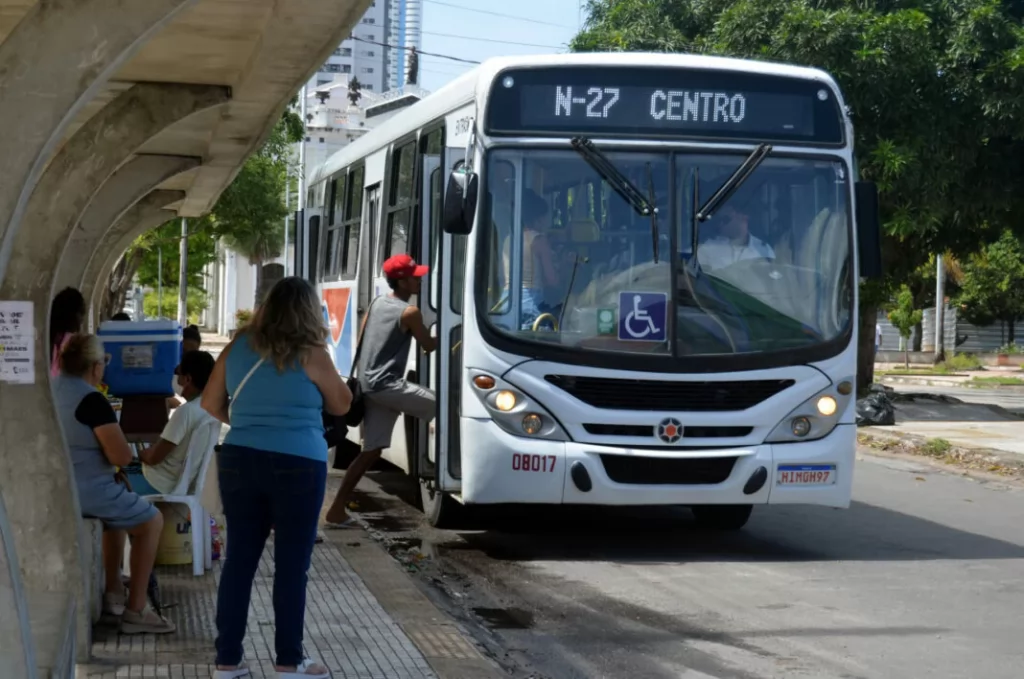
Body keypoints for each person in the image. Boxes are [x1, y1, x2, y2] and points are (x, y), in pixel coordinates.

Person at [202, 277, 351, 679]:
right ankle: (289, 661)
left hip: (239, 459)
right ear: (307, 310)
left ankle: (227, 662)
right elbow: (342, 403)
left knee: (239, 563)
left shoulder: (237, 348)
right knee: (290, 567)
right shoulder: (312, 353)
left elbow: (209, 402)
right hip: (298, 464)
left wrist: (249, 425)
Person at [52, 334, 174, 634]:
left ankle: (113, 590)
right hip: (87, 491)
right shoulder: (91, 400)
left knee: (118, 512)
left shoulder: (49, 389)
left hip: (57, 487)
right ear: (95, 367)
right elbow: (120, 454)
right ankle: (135, 611)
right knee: (151, 521)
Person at [324, 254, 437, 528]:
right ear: (402, 281)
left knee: (371, 451)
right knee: (442, 408)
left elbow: (363, 342)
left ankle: (336, 510)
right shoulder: (409, 312)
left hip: (368, 386)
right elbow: (429, 346)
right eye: (415, 276)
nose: (419, 279)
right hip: (386, 385)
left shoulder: (377, 303)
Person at [126, 351, 219, 496]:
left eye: (178, 374)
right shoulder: (211, 410)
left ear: (187, 378)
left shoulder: (186, 412)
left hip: (157, 482)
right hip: (182, 483)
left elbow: (153, 458)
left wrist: (141, 454)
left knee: (112, 478)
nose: (175, 378)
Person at [501, 189, 559, 329]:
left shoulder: (508, 239)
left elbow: (503, 276)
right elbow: (552, 281)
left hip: (505, 303)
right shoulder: (539, 240)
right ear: (538, 218)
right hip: (530, 306)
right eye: (545, 218)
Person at [697, 203, 775, 270]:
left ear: (744, 217)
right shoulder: (707, 248)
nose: (721, 224)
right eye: (719, 220)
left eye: (725, 219)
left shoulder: (764, 250)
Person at [50, 287, 86, 378]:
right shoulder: (74, 344)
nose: (82, 320)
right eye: (82, 314)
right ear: (76, 315)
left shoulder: (45, 337)